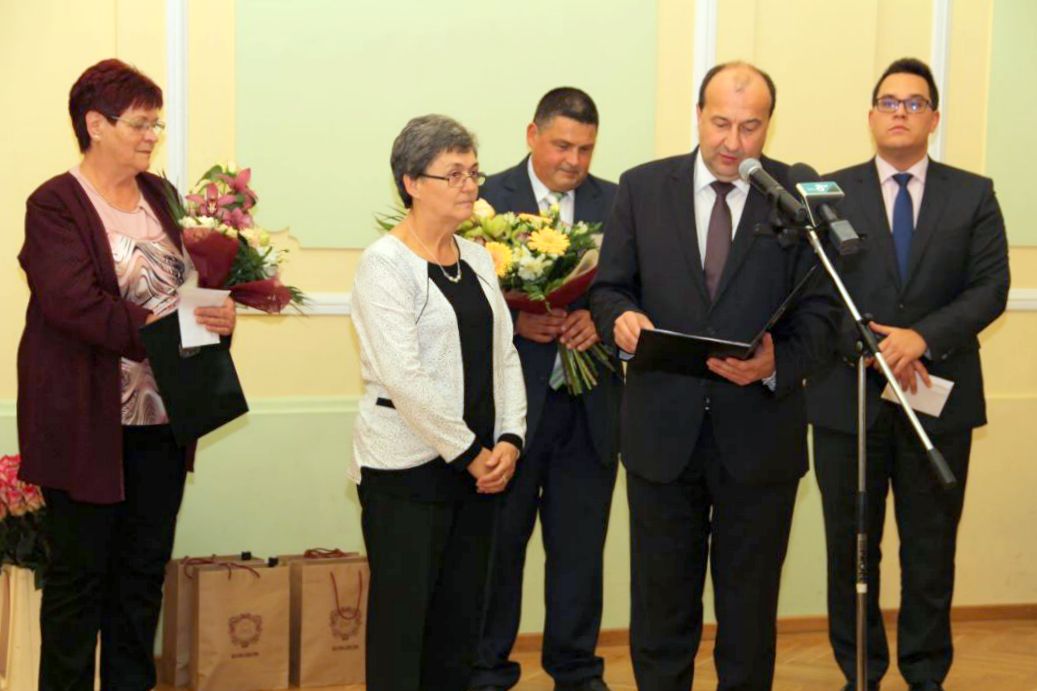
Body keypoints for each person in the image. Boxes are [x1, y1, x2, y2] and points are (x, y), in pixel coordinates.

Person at [589, 61, 837, 690]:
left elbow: (826, 314)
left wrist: (777, 362)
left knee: (749, 613)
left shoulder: (797, 196)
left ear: (769, 124)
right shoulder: (643, 188)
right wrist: (621, 319)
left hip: (760, 436)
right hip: (661, 434)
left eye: (750, 127)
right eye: (721, 123)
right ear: (698, 115)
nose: (733, 142)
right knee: (660, 608)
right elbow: (610, 288)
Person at [16, 58, 237, 690]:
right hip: (85, 425)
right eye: (140, 123)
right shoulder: (55, 204)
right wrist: (173, 328)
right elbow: (75, 305)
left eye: (155, 124)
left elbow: (187, 287)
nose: (151, 136)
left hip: (161, 421)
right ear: (95, 124)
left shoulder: (161, 196)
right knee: (77, 584)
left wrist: (215, 315)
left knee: (141, 580)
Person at [806, 57, 1010, 691]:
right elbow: (814, 292)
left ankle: (926, 674)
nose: (901, 112)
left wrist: (921, 338)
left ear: (934, 118)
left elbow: (990, 288)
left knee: (929, 552)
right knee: (851, 551)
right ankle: (860, 673)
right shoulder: (828, 194)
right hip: (849, 399)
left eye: (914, 103)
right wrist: (869, 345)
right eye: (889, 102)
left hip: (936, 399)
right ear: (871, 116)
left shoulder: (972, 193)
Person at [350, 114, 527, 690]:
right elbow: (404, 378)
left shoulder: (477, 258)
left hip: (478, 472)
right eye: (453, 174)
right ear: (411, 183)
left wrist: (510, 439)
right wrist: (471, 452)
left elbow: (505, 355)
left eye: (473, 172)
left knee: (458, 629)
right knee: (403, 632)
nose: (469, 186)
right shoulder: (384, 264)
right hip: (407, 472)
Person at [470, 87, 621, 691]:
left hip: (589, 410)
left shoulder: (618, 203)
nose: (573, 161)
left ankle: (577, 671)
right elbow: (456, 299)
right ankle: (486, 671)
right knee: (497, 551)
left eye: (585, 149)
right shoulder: (485, 200)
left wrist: (600, 320)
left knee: (580, 553)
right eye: (562, 145)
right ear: (532, 135)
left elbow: (636, 289)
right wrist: (515, 321)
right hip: (509, 415)